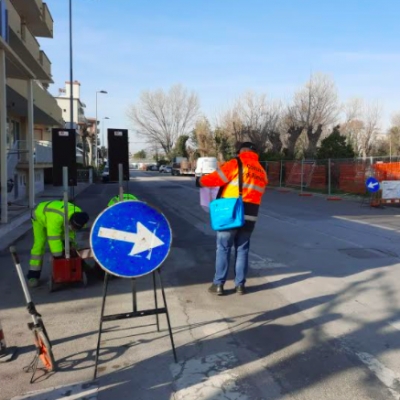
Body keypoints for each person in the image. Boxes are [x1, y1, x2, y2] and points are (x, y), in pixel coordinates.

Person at [200, 142, 268, 295]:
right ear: (254, 152)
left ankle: (218, 284)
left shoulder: (236, 163)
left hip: (231, 212)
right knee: (242, 249)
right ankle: (240, 286)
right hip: (251, 214)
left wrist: (200, 181)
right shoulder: (262, 171)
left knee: (223, 248)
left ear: (240, 152)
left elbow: (216, 179)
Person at [28, 200, 89, 288]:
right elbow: (53, 238)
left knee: (68, 243)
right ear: (70, 221)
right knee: (39, 244)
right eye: (72, 226)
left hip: (58, 214)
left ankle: (80, 266)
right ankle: (33, 275)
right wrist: (59, 256)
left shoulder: (79, 215)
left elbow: (71, 232)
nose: (73, 228)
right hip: (40, 216)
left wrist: (70, 244)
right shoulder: (56, 218)